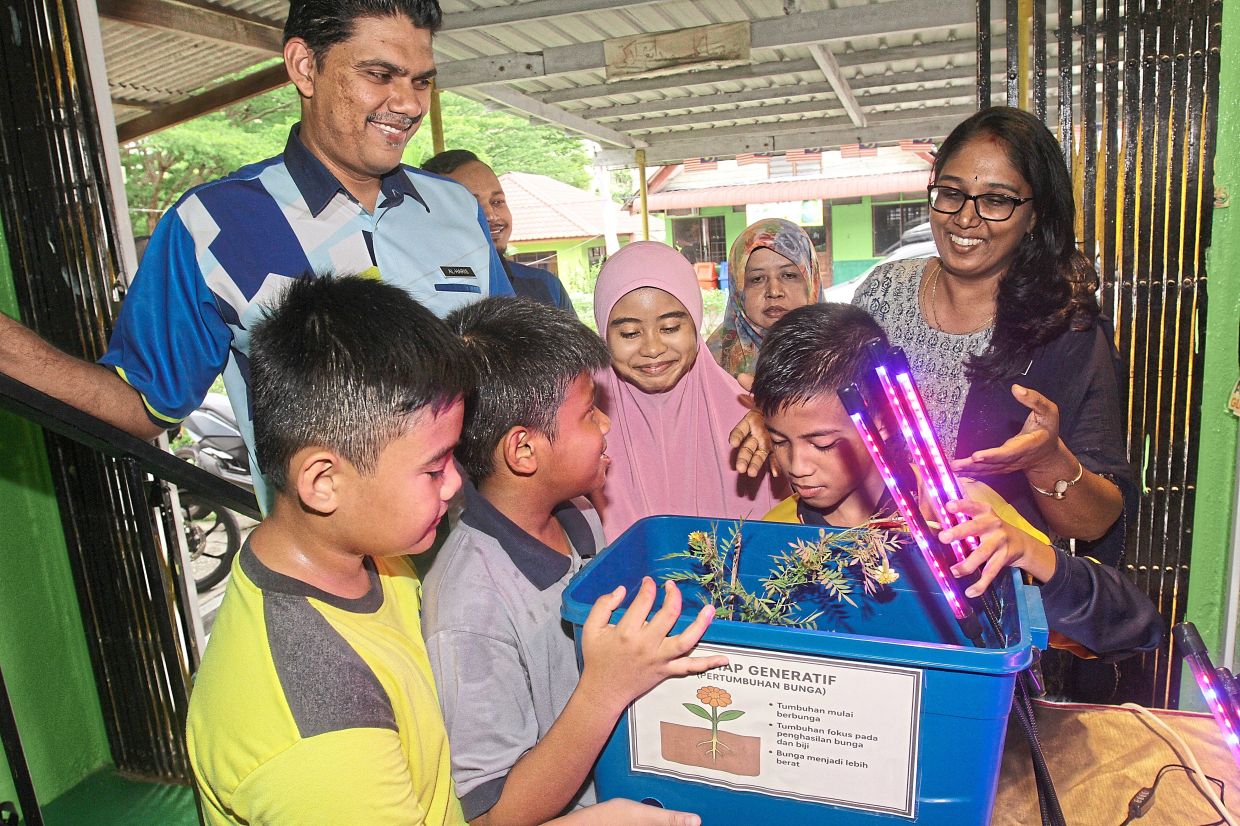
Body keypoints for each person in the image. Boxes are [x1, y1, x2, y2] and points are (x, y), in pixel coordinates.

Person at [186, 274, 709, 826]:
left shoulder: (372, 552)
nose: (456, 486)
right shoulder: (317, 730)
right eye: (435, 468)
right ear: (323, 482)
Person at [0, 0, 512, 510]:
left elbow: (513, 372)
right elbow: (142, 404)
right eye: (380, 75)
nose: (409, 104)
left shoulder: (456, 209)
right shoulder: (211, 226)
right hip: (333, 583)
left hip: (488, 559)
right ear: (305, 66)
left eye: (422, 81)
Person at [424, 296, 725, 824]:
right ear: (524, 451)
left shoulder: (579, 515)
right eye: (589, 412)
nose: (607, 424)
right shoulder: (470, 609)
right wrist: (606, 688)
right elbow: (494, 815)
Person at [752, 302, 1162, 660]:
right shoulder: (771, 535)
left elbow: (1133, 631)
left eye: (821, 443)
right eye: (779, 441)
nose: (798, 465)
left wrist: (1028, 552)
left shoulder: (960, 512)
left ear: (877, 417)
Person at [852, 106, 1134, 565]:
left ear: (1035, 216)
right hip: (874, 576)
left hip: (993, 594)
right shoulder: (881, 294)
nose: (966, 218)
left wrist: (1047, 459)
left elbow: (1095, 523)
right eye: (951, 192)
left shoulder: (1065, 331)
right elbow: (829, 422)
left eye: (997, 200)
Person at [593, 241, 781, 542]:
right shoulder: (581, 426)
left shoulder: (749, 421)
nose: (653, 349)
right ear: (604, 333)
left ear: (694, 324)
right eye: (629, 333)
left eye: (670, 328)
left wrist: (782, 434)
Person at [422, 149, 576, 314]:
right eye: (472, 205)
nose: (491, 216)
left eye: (496, 202)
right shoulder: (419, 289)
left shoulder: (545, 287)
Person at [706, 218, 822, 378]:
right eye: (757, 279)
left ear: (811, 282)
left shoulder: (843, 354)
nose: (774, 291)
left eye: (788, 275)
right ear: (738, 290)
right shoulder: (711, 364)